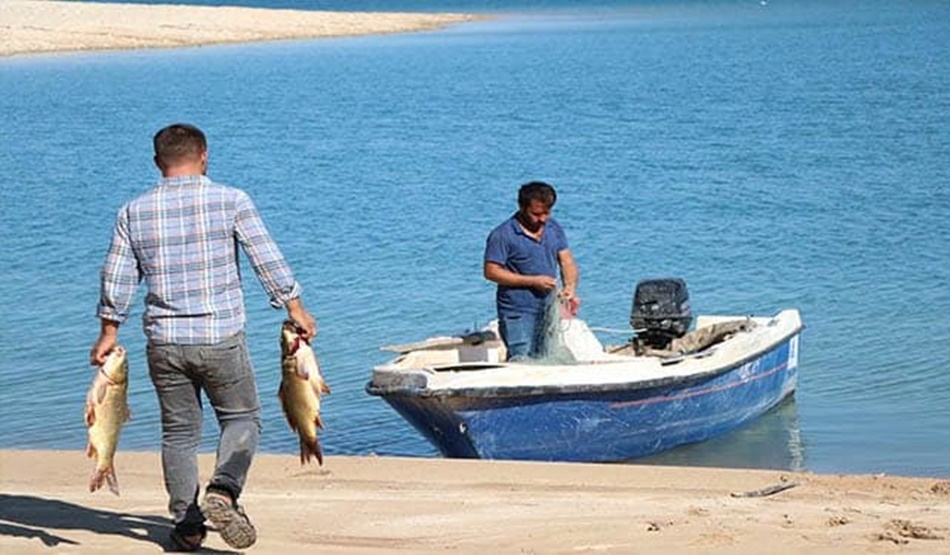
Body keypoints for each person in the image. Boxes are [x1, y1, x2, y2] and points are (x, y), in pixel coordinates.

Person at [89, 123, 317, 552]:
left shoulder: (133, 212)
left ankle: (188, 524)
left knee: (178, 433)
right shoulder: (231, 200)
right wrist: (295, 308)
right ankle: (225, 490)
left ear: (158, 163)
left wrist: (108, 330)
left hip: (164, 341)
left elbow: (117, 277)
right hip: (220, 336)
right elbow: (264, 257)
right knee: (242, 418)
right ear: (205, 155)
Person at [483, 181, 579, 361]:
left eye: (547, 213)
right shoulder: (502, 235)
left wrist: (570, 288)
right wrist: (533, 281)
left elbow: (566, 261)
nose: (542, 219)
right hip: (517, 311)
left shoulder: (554, 228)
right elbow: (491, 271)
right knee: (521, 357)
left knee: (546, 356)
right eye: (536, 214)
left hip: (547, 308)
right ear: (521, 207)